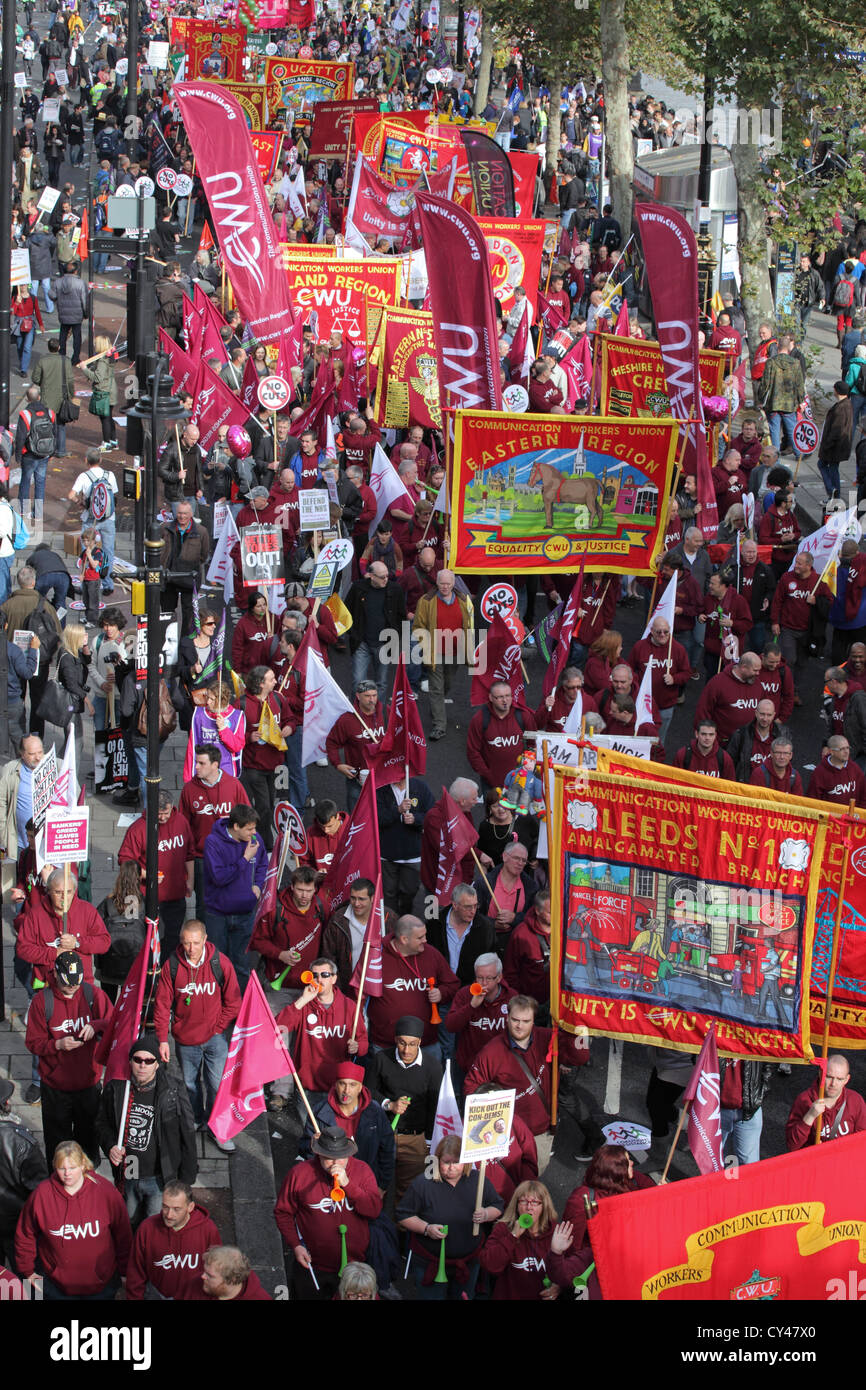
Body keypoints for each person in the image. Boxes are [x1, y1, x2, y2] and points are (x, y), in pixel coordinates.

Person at [465, 995, 592, 1168]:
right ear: (507, 1018)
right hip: (509, 1133)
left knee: (535, 1173)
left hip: (541, 1130)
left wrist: (577, 1029)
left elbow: (580, 1057)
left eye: (526, 1021)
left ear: (534, 1021)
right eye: (515, 1020)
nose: (519, 1026)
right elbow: (471, 1089)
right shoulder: (491, 1052)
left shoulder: (547, 1038)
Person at [153, 920, 241, 1152]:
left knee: (216, 1084)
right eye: (185, 943)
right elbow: (162, 1005)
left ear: (205, 940)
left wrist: (218, 1028)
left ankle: (216, 1127)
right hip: (185, 1039)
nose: (190, 948)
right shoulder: (172, 965)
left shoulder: (220, 963)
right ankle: (197, 1119)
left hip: (215, 1038)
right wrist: (163, 1039)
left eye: (194, 943)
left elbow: (233, 1002)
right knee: (190, 1084)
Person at [274, 1124, 383, 1301]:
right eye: (329, 1158)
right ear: (318, 1154)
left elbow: (373, 1210)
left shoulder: (362, 1171)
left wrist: (348, 1184)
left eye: (340, 1158)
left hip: (353, 1268)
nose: (335, 1163)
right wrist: (295, 1245)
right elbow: (282, 1212)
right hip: (312, 1267)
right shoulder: (300, 1174)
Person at [97, 1035, 198, 1223]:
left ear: (157, 1064)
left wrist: (186, 1179)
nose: (142, 1065)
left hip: (159, 1174)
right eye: (138, 1060)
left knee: (154, 1224)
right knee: (128, 1221)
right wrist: (110, 1145)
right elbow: (101, 1123)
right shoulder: (117, 1088)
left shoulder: (172, 1089)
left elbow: (187, 1132)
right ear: (131, 1061)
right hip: (130, 1169)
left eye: (149, 1061)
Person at [25, 950, 113, 1165]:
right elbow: (33, 1043)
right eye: (67, 985)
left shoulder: (93, 994)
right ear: (55, 974)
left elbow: (113, 1024)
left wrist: (96, 1026)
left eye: (76, 984)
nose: (73, 989)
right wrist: (57, 1044)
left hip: (88, 1085)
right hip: (55, 1088)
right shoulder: (41, 1002)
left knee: (89, 1146)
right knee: (57, 1147)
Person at [14, 1140, 132, 1301]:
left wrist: (125, 1272)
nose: (67, 1173)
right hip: (56, 1287)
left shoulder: (105, 1192)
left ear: (83, 1165)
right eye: (62, 1168)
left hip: (101, 1287)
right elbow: (25, 1233)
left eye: (72, 1168)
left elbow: (123, 1234)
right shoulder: (42, 1195)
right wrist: (27, 1270)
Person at [396, 1134, 503, 1300]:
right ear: (437, 1160)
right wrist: (426, 1229)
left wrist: (486, 1214)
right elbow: (404, 1215)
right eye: (446, 1162)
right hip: (430, 1263)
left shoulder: (477, 1180)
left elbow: (497, 1206)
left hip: (468, 1263)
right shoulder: (423, 1183)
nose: (452, 1167)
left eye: (456, 1161)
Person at [273, 958, 367, 1115]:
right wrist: (303, 1000)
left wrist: (357, 1047)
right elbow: (278, 1028)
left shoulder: (349, 1006)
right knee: (310, 1135)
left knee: (334, 1135)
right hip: (308, 1085)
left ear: (334, 978)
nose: (319, 979)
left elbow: (363, 1042)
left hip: (338, 1087)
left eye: (324, 974)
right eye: (314, 975)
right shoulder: (303, 1004)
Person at [367, 1016, 442, 1200]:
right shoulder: (381, 1059)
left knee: (409, 1193)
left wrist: (430, 1143)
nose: (406, 1050)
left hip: (415, 1139)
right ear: (395, 1040)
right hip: (384, 1135)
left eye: (412, 1044)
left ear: (420, 1043)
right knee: (376, 1188)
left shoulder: (432, 1066)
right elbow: (367, 1091)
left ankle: (402, 1228)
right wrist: (389, 1105)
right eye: (402, 1043)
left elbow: (435, 1107)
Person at [301, 1061, 394, 1196]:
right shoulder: (319, 1111)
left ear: (360, 1087)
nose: (346, 1090)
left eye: (352, 1085)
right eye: (342, 1084)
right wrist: (312, 1145)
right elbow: (306, 1150)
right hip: (329, 1184)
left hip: (365, 1184)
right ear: (335, 1084)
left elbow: (388, 1150)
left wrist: (382, 1186)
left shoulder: (375, 1112)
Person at [118, 792, 194, 958]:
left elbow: (190, 854)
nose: (162, 818)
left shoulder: (181, 822)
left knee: (173, 939)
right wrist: (147, 875)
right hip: (148, 898)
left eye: (166, 813)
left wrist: (191, 881)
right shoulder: (138, 829)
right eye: (159, 814)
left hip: (175, 896)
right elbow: (126, 861)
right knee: (148, 941)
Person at [202, 804, 268, 994]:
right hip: (217, 914)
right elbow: (219, 877)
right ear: (236, 826)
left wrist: (258, 884)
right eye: (249, 829)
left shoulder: (256, 840)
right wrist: (245, 858)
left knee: (241, 963)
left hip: (245, 913)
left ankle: (240, 1008)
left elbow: (263, 863)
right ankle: (218, 1003)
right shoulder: (213, 842)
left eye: (254, 828)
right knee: (217, 962)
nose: (254, 833)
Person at [126, 1180, 221, 1301]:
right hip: (156, 1294)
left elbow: (218, 1271)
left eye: (177, 1209)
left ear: (190, 1207)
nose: (169, 1215)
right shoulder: (147, 1228)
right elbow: (135, 1271)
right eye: (165, 1207)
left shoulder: (208, 1230)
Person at [16, 867, 110, 987]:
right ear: (48, 891)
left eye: (68, 892)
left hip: (80, 985)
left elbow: (104, 942)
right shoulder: (35, 914)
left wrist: (77, 943)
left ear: (75, 890)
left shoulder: (87, 910)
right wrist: (53, 954)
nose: (64, 897)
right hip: (47, 985)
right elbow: (23, 949)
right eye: (58, 892)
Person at [413, 569, 474, 740]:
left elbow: (470, 624)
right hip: (435, 653)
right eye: (442, 583)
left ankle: (436, 706)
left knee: (447, 684)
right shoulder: (426, 601)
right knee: (436, 688)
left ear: (453, 583)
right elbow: (418, 627)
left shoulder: (464, 600)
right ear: (437, 583)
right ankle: (439, 725)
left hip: (455, 653)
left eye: (448, 583)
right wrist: (425, 647)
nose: (445, 587)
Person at [479, 1180, 562, 1300]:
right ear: (516, 1206)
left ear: (544, 1206)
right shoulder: (503, 1229)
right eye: (523, 1201)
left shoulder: (555, 1232)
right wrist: (512, 1236)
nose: (529, 1207)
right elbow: (490, 1265)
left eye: (534, 1202)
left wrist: (559, 1286)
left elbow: (569, 1269)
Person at [0, 1077, 47, 1267]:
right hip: (16, 1223)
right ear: (5, 1103)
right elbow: (40, 1189)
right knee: (27, 1275)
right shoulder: (22, 1141)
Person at [466, 682, 538, 793]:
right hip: (492, 785)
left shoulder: (523, 716)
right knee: (494, 810)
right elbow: (473, 752)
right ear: (490, 697)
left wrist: (527, 770)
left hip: (520, 782)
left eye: (508, 696)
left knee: (519, 810)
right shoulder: (480, 719)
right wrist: (488, 776)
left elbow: (533, 745)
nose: (505, 701)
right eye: (500, 697)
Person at [786, 1055, 866, 1148]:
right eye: (829, 1077)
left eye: (839, 1079)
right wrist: (810, 1116)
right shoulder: (804, 1100)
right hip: (814, 1160)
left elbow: (862, 1141)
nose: (833, 1084)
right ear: (820, 1074)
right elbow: (792, 1145)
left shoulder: (855, 1101)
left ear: (847, 1079)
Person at [68, 451, 119, 595]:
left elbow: (71, 495)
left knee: (87, 551)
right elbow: (114, 495)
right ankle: (108, 584)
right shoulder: (110, 475)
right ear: (101, 459)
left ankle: (86, 585)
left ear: (86, 460)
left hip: (91, 518)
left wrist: (80, 502)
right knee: (108, 552)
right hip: (109, 518)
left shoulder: (84, 477)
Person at [160, 501, 210, 636]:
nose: (182, 516)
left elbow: (204, 555)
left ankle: (185, 642)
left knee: (189, 613)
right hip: (169, 577)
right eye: (180, 513)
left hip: (189, 578)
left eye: (185, 514)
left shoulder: (201, 531)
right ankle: (168, 638)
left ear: (191, 514)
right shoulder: (165, 528)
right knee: (167, 611)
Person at [718, 1059, 775, 1166]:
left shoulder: (756, 1041)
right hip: (716, 1111)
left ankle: (735, 1181)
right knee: (716, 1160)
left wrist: (760, 1093)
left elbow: (768, 1060)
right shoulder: (712, 1041)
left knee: (749, 1164)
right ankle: (726, 1181)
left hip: (749, 1111)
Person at [15, 384, 56, 522]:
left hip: (29, 454)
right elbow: (54, 433)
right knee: (40, 482)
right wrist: (52, 452)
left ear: (27, 399)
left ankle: (23, 510)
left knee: (25, 481)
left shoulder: (25, 414)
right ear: (39, 397)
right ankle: (38, 513)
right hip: (44, 453)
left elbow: (20, 436)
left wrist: (18, 454)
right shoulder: (50, 413)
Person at [30, 339, 74, 459]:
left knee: (47, 424)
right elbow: (70, 380)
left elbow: (35, 378)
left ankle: (48, 448)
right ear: (59, 347)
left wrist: (43, 383)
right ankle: (61, 450)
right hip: (62, 396)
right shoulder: (65, 361)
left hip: (47, 397)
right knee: (61, 424)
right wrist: (71, 394)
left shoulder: (43, 360)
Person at [82, 336, 119, 452]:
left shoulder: (103, 360)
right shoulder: (109, 357)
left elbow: (98, 377)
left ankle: (106, 443)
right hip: (111, 388)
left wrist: (84, 369)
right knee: (109, 417)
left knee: (105, 418)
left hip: (104, 391)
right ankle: (113, 441)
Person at [818, 381, 854, 499]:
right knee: (832, 467)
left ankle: (833, 491)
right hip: (839, 446)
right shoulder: (846, 405)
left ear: (836, 391)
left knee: (824, 465)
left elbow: (836, 431)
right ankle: (834, 493)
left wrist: (827, 444)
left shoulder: (840, 409)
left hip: (835, 447)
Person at [197, 1244, 271, 1301]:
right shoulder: (194, 1284)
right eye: (205, 1271)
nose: (202, 1276)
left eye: (210, 1276)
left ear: (232, 1280)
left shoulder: (259, 1297)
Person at [808, 735, 866, 806]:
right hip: (830, 816)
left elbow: (864, 795)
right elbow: (813, 801)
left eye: (847, 748)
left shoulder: (855, 768)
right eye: (842, 749)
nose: (846, 752)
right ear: (831, 752)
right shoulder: (819, 773)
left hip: (853, 816)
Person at [51, 261, 89, 366]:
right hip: (77, 315)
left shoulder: (58, 282)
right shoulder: (80, 283)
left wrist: (58, 300)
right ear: (76, 271)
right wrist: (86, 314)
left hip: (63, 313)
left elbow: (52, 295)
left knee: (63, 334)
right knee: (77, 336)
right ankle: (75, 358)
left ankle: (62, 354)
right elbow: (85, 301)